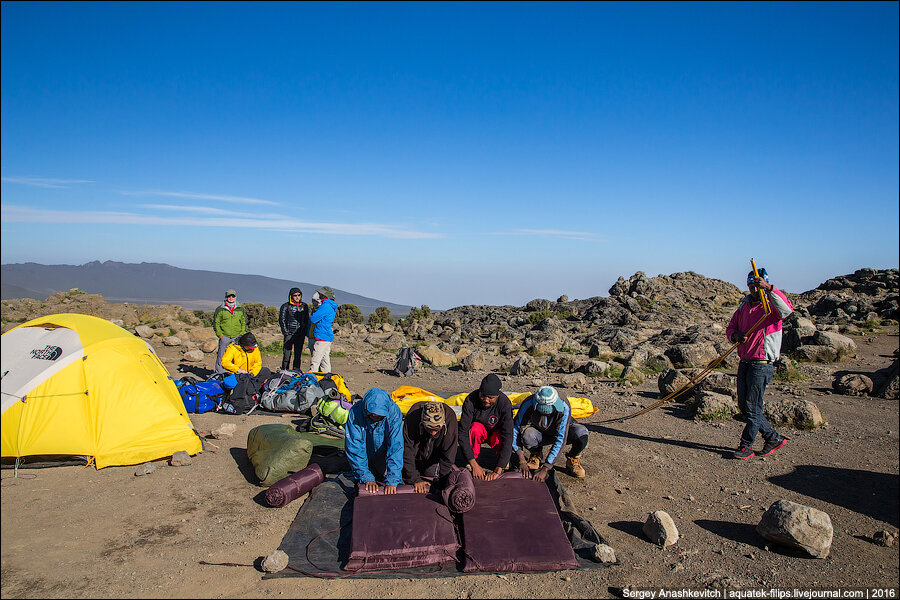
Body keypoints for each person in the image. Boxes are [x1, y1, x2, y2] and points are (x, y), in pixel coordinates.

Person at [726, 268, 794, 460]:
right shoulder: (744, 306)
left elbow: (787, 310)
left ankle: (746, 445)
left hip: (761, 363)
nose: (754, 290)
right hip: (745, 360)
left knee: (752, 405)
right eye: (751, 286)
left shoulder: (771, 307)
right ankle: (773, 438)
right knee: (745, 405)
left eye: (758, 286)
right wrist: (735, 336)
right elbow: (731, 327)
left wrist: (770, 288)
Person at [513, 385, 589, 482]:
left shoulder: (564, 404)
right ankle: (536, 454)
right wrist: (521, 459)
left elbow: (561, 438)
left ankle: (573, 458)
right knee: (528, 435)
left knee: (581, 432)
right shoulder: (528, 403)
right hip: (540, 433)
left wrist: (546, 468)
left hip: (562, 432)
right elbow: (515, 429)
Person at [345, 388, 403, 494]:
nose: (375, 417)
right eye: (372, 414)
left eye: (380, 416)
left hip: (384, 456)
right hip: (365, 455)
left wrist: (392, 479)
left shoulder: (393, 412)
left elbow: (396, 445)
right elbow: (355, 446)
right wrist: (366, 477)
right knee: (363, 486)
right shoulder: (356, 412)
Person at [458, 374, 514, 481]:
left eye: (490, 397)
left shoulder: (504, 403)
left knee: (501, 436)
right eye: (483, 395)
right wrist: (474, 464)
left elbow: (508, 434)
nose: (486, 400)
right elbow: (463, 432)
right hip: (480, 432)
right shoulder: (470, 400)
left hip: (495, 433)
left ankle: (502, 460)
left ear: (497, 396)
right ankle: (474, 459)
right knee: (474, 428)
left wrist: (498, 470)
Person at [402, 401, 459, 493]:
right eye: (429, 428)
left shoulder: (450, 419)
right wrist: (415, 479)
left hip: (434, 458)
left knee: (434, 477)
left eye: (437, 429)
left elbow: (449, 454)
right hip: (416, 455)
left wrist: (442, 482)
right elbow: (407, 449)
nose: (433, 433)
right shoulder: (413, 417)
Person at [213, 289, 247, 374]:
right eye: (229, 296)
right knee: (221, 356)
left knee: (237, 356)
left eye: (233, 296)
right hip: (225, 336)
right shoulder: (220, 309)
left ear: (235, 297)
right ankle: (219, 374)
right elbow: (216, 323)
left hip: (237, 336)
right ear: (226, 297)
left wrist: (242, 334)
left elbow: (244, 322)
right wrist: (220, 335)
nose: (231, 298)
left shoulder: (240, 309)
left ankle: (235, 373)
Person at [278, 287, 310, 372]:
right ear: (291, 296)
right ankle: (284, 371)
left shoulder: (304, 306)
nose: (297, 297)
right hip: (289, 334)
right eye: (295, 295)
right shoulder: (285, 306)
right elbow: (282, 320)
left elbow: (307, 319)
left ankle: (296, 371)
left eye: (299, 295)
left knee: (298, 354)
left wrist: (305, 331)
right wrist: (286, 332)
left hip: (300, 334)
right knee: (287, 354)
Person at [309, 286, 338, 373]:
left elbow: (313, 319)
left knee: (315, 360)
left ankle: (311, 379)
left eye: (321, 294)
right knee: (325, 361)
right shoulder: (331, 305)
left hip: (321, 335)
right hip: (327, 336)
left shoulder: (325, 306)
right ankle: (327, 378)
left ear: (324, 295)